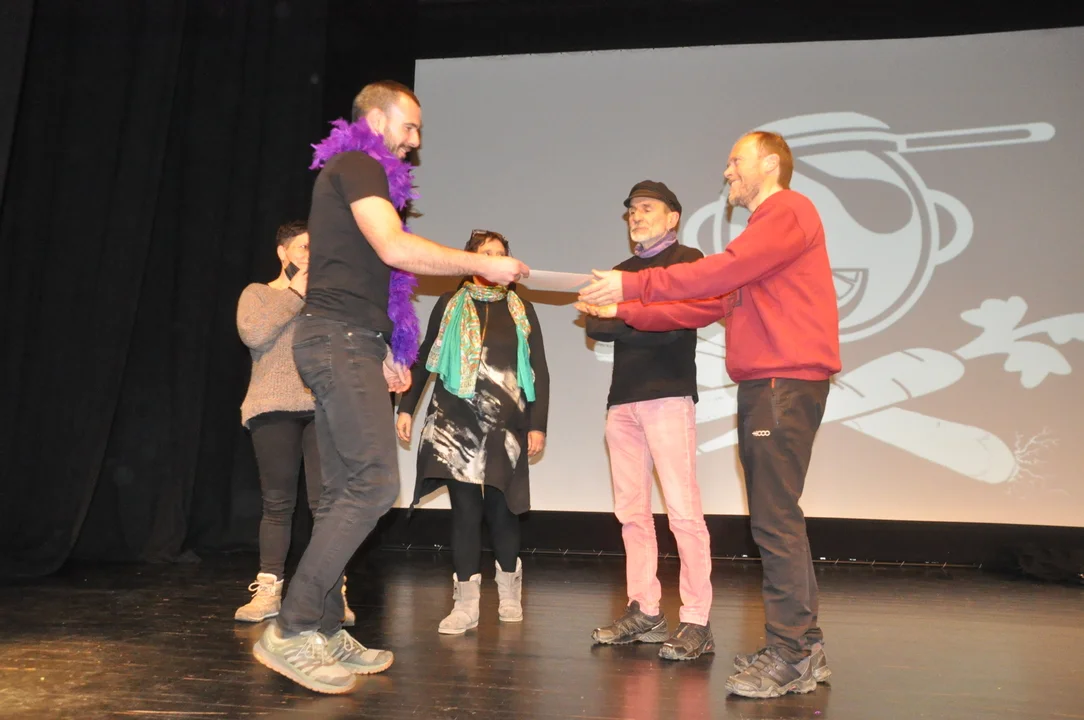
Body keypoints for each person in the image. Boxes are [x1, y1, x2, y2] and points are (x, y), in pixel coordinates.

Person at [252, 80, 528, 695]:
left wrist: (386, 350)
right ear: (376, 120)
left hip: (349, 341)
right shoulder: (356, 164)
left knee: (339, 493)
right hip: (337, 341)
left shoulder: (360, 175)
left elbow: (365, 274)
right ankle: (292, 628)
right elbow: (393, 246)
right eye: (410, 127)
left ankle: (324, 629)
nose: (415, 142)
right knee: (375, 484)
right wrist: (479, 263)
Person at [578, 131, 841, 698]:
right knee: (777, 516)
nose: (727, 173)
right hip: (770, 383)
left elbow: (715, 275)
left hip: (783, 381)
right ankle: (805, 645)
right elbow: (701, 306)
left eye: (735, 161)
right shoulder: (764, 234)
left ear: (769, 163)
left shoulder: (788, 211)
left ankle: (791, 654)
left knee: (773, 520)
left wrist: (632, 281)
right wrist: (624, 306)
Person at [396, 229, 550, 635]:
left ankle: (509, 591)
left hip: (505, 422)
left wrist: (538, 424)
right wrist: (406, 407)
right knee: (465, 511)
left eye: (501, 253)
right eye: (487, 253)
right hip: (455, 419)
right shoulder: (449, 303)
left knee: (502, 508)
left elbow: (539, 369)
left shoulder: (521, 309)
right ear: (470, 260)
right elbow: (425, 357)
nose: (495, 259)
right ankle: (465, 603)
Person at [585, 181, 714, 661]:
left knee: (683, 512)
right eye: (631, 211)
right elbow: (596, 327)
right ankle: (646, 610)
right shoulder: (620, 272)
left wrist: (621, 314)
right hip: (622, 402)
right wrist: (638, 313)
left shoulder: (688, 260)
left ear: (672, 216)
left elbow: (676, 325)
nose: (635, 216)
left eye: (646, 208)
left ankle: (696, 619)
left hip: (668, 398)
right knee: (631, 514)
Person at [234, 221, 353, 626]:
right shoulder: (259, 293)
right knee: (277, 502)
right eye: (303, 247)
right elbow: (254, 334)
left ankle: (331, 593)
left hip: (323, 407)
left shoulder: (328, 300)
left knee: (326, 504)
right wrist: (295, 293)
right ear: (282, 252)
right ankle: (269, 590)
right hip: (272, 406)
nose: (310, 254)